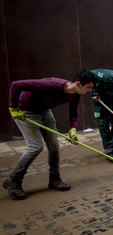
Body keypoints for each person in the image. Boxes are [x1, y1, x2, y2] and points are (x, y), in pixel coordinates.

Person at [4, 70, 98, 200]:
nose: (90, 90)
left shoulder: (75, 94)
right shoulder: (50, 84)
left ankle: (54, 179)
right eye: (89, 87)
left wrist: (73, 129)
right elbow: (16, 85)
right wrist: (13, 107)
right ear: (78, 84)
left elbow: (74, 114)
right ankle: (14, 179)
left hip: (44, 111)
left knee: (54, 147)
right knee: (36, 147)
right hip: (26, 110)